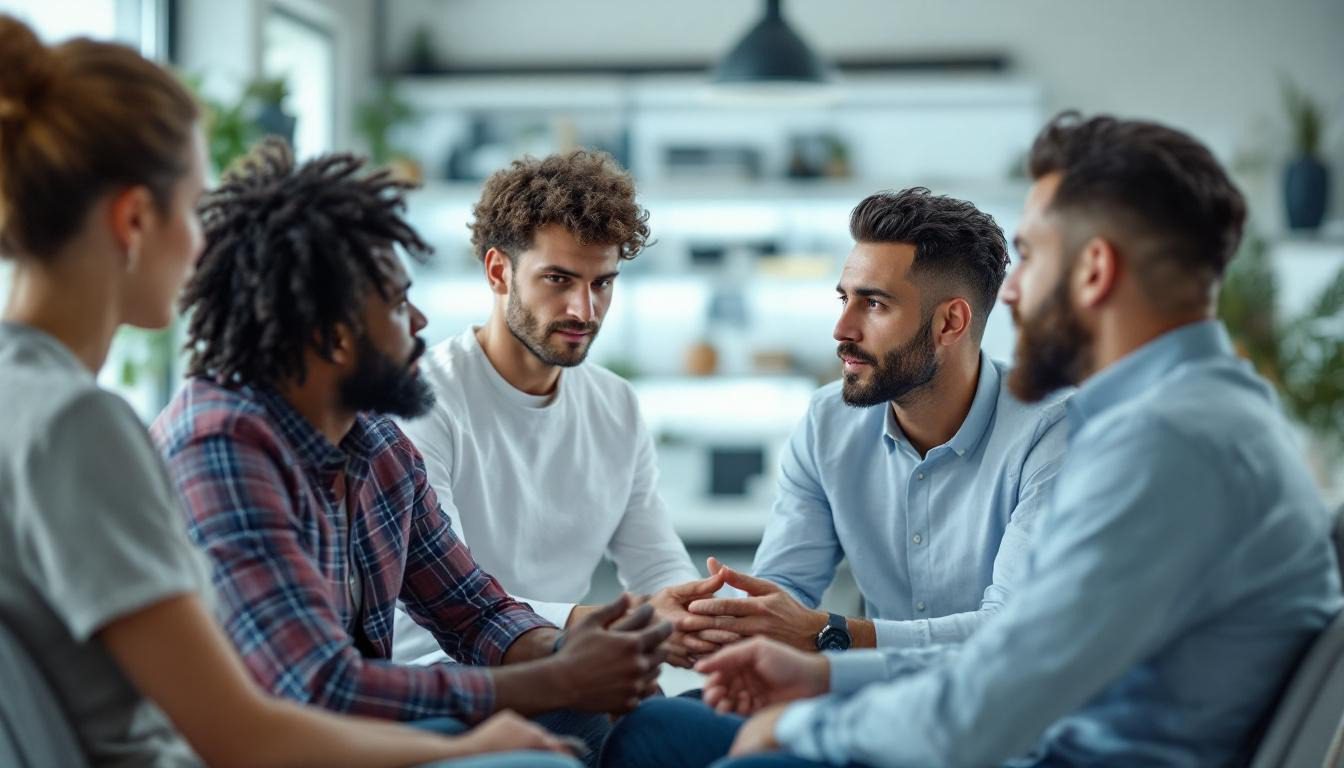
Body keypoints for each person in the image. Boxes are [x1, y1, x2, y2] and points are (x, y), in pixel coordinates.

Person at [600, 113, 1344, 768]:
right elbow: (1014, 663)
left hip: (1043, 751)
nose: (1012, 292)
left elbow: (987, 706)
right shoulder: (1209, 416)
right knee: (657, 731)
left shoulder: (1160, 443)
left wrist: (813, 715)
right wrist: (823, 677)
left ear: (1093, 270)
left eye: (1031, 254)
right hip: (1033, 735)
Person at [0, 14, 579, 768]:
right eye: (194, 207)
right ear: (136, 219)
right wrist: (491, 723)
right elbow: (242, 733)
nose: (202, 247)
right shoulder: (79, 423)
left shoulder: (24, 398)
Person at [149, 139, 668, 765]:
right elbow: (318, 688)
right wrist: (556, 679)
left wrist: (578, 657)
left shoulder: (375, 444)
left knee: (646, 725)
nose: (420, 321)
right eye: (397, 304)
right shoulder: (223, 445)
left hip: (357, 734)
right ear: (333, 337)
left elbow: (475, 613)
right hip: (271, 749)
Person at [679, 187, 1069, 656]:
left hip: (1006, 711)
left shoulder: (1052, 431)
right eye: (843, 298)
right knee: (665, 723)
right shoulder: (828, 422)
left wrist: (829, 634)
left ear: (949, 323)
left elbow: (1013, 629)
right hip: (867, 698)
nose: (842, 329)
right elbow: (783, 590)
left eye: (875, 304)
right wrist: (721, 617)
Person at [391, 151, 723, 672]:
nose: (584, 311)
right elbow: (438, 606)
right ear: (499, 271)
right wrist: (620, 621)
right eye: (558, 280)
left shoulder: (616, 404)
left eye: (602, 283)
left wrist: (701, 614)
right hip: (449, 674)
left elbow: (656, 562)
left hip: (573, 666)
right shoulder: (422, 400)